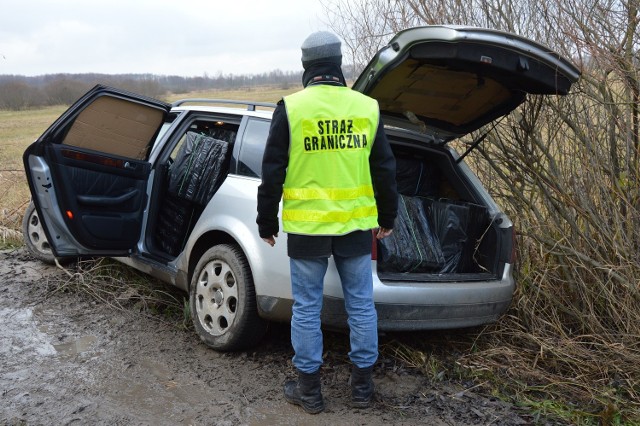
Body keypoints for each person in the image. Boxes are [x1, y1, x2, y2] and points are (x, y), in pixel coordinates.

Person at [256, 31, 398, 414]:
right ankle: (362, 391)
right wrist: (387, 216)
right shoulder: (367, 107)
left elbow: (272, 170)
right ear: (338, 62)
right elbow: (384, 167)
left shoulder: (292, 107)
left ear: (306, 65)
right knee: (361, 307)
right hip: (355, 227)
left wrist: (266, 220)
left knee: (306, 308)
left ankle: (310, 393)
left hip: (307, 230)